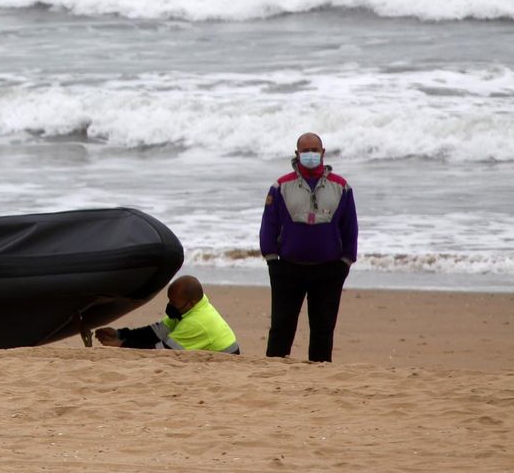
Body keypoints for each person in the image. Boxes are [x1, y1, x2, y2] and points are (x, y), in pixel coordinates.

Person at [259, 131, 358, 362]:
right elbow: (269, 224)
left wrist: (346, 260)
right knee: (281, 326)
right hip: (288, 269)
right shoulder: (280, 186)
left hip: (329, 269)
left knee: (323, 328)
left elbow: (350, 226)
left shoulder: (341, 186)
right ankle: (273, 373)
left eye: (314, 150)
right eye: (305, 151)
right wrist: (272, 259)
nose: (310, 154)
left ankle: (320, 372)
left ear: (323, 153)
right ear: (297, 153)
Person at [94, 275, 240, 353]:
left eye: (174, 303)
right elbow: (156, 332)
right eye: (170, 301)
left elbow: (162, 351)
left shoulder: (195, 322)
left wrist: (121, 345)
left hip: (227, 358)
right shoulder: (191, 308)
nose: (170, 306)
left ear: (191, 303)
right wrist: (119, 334)